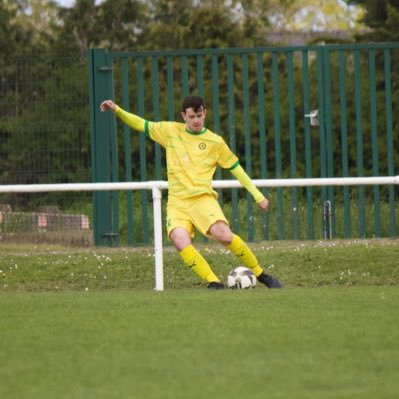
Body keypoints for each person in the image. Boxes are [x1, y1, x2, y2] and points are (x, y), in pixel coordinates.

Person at [100, 96, 282, 289]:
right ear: (183, 116)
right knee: (179, 240)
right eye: (192, 116)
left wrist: (258, 195)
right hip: (178, 202)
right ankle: (213, 281)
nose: (196, 120)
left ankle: (262, 274)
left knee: (224, 235)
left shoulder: (215, 142)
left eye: (199, 115)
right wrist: (117, 110)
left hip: (203, 199)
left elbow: (237, 169)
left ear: (205, 113)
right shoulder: (170, 131)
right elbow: (141, 124)